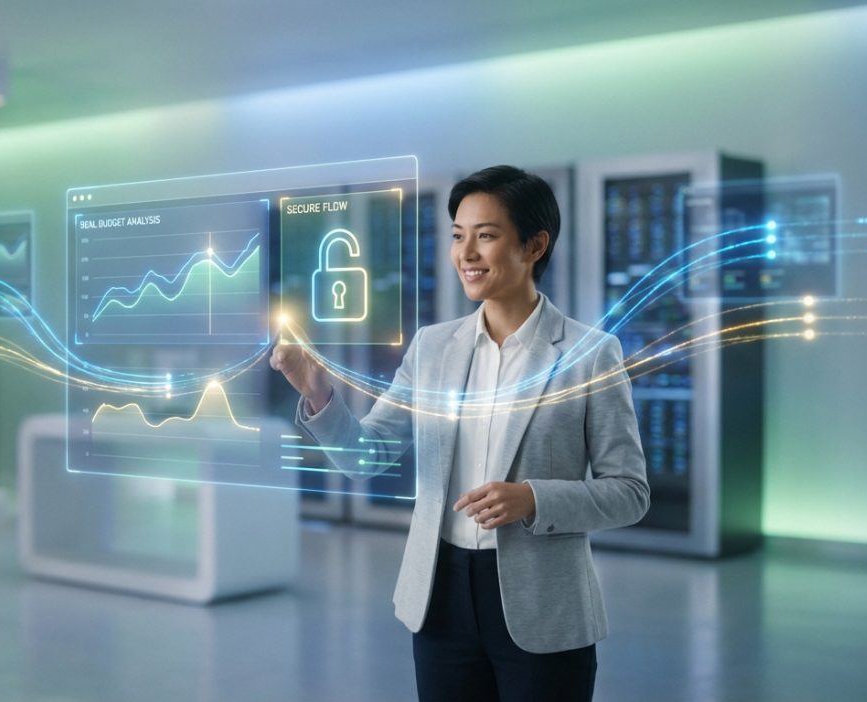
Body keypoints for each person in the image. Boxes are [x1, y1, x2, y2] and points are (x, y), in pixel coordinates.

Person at [270, 166, 649, 701]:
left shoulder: (590, 354)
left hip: (542, 604)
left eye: (486, 236)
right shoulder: (433, 349)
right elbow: (366, 455)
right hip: (440, 595)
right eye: (457, 235)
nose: (466, 253)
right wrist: (316, 394)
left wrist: (533, 499)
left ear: (534, 245)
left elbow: (629, 492)